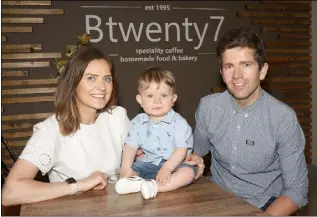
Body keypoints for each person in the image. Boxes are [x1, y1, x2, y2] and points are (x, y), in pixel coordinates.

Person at [2, 45, 204, 206]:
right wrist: (78, 185)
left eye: (107, 79)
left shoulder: (117, 116)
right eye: (91, 78)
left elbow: (145, 155)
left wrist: (183, 161)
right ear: (73, 83)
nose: (101, 87)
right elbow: (10, 193)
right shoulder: (50, 130)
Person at [193, 27, 309, 215]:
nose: (237, 75)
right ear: (222, 72)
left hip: (264, 204)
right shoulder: (208, 107)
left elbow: (296, 190)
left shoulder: (283, 118)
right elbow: (195, 154)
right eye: (229, 66)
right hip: (216, 199)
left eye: (246, 65)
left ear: (262, 71)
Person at [115, 67, 197, 199]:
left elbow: (181, 149)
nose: (157, 101)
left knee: (188, 172)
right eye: (150, 96)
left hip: (173, 165)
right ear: (140, 99)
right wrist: (126, 168)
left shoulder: (179, 123)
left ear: (173, 98)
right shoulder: (137, 123)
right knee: (132, 168)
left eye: (164, 96)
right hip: (147, 164)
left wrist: (167, 168)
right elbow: (130, 146)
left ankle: (155, 187)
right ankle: (136, 183)